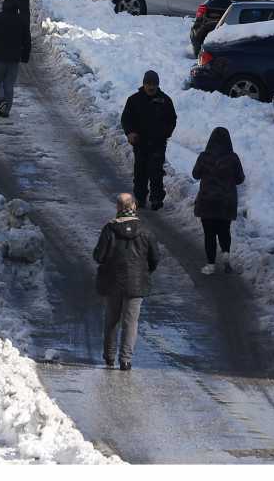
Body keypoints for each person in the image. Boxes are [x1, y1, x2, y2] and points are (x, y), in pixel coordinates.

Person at [92, 193, 160, 371]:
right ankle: (126, 360)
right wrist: (145, 272)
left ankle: (109, 356)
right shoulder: (145, 230)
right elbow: (155, 257)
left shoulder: (109, 229)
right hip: (136, 284)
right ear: (134, 207)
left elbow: (98, 256)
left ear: (117, 208)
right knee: (131, 322)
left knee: (112, 320)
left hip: (112, 281)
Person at [120, 70, 177, 212]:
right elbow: (126, 119)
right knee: (140, 172)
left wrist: (165, 133)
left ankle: (156, 199)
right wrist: (130, 133)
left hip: (158, 144)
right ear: (144, 84)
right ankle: (140, 198)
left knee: (156, 172)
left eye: (154, 84)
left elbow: (172, 119)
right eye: (148, 84)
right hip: (140, 143)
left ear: (158, 85)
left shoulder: (165, 101)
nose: (151, 87)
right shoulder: (134, 100)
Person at [192, 127, 246, 275]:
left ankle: (210, 265)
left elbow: (195, 174)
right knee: (224, 230)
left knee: (209, 234)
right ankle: (226, 255)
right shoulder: (233, 158)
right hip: (226, 203)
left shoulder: (204, 157)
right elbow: (240, 178)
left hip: (207, 201)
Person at [0, 0, 31, 117]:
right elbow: (27, 40)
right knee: (9, 84)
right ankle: (6, 111)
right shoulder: (21, 20)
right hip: (14, 59)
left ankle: (1, 99)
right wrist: (25, 55)